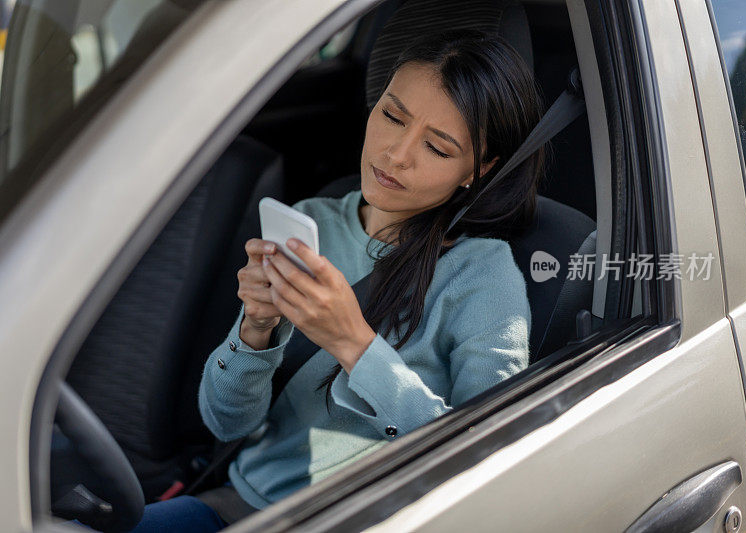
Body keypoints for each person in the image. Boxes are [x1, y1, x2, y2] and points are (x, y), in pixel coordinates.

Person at [126, 28, 545, 532]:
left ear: (480, 168)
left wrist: (354, 344)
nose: (396, 154)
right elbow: (226, 423)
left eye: (436, 147)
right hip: (247, 504)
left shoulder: (484, 276)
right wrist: (254, 332)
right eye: (392, 116)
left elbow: (489, 458)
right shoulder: (311, 223)